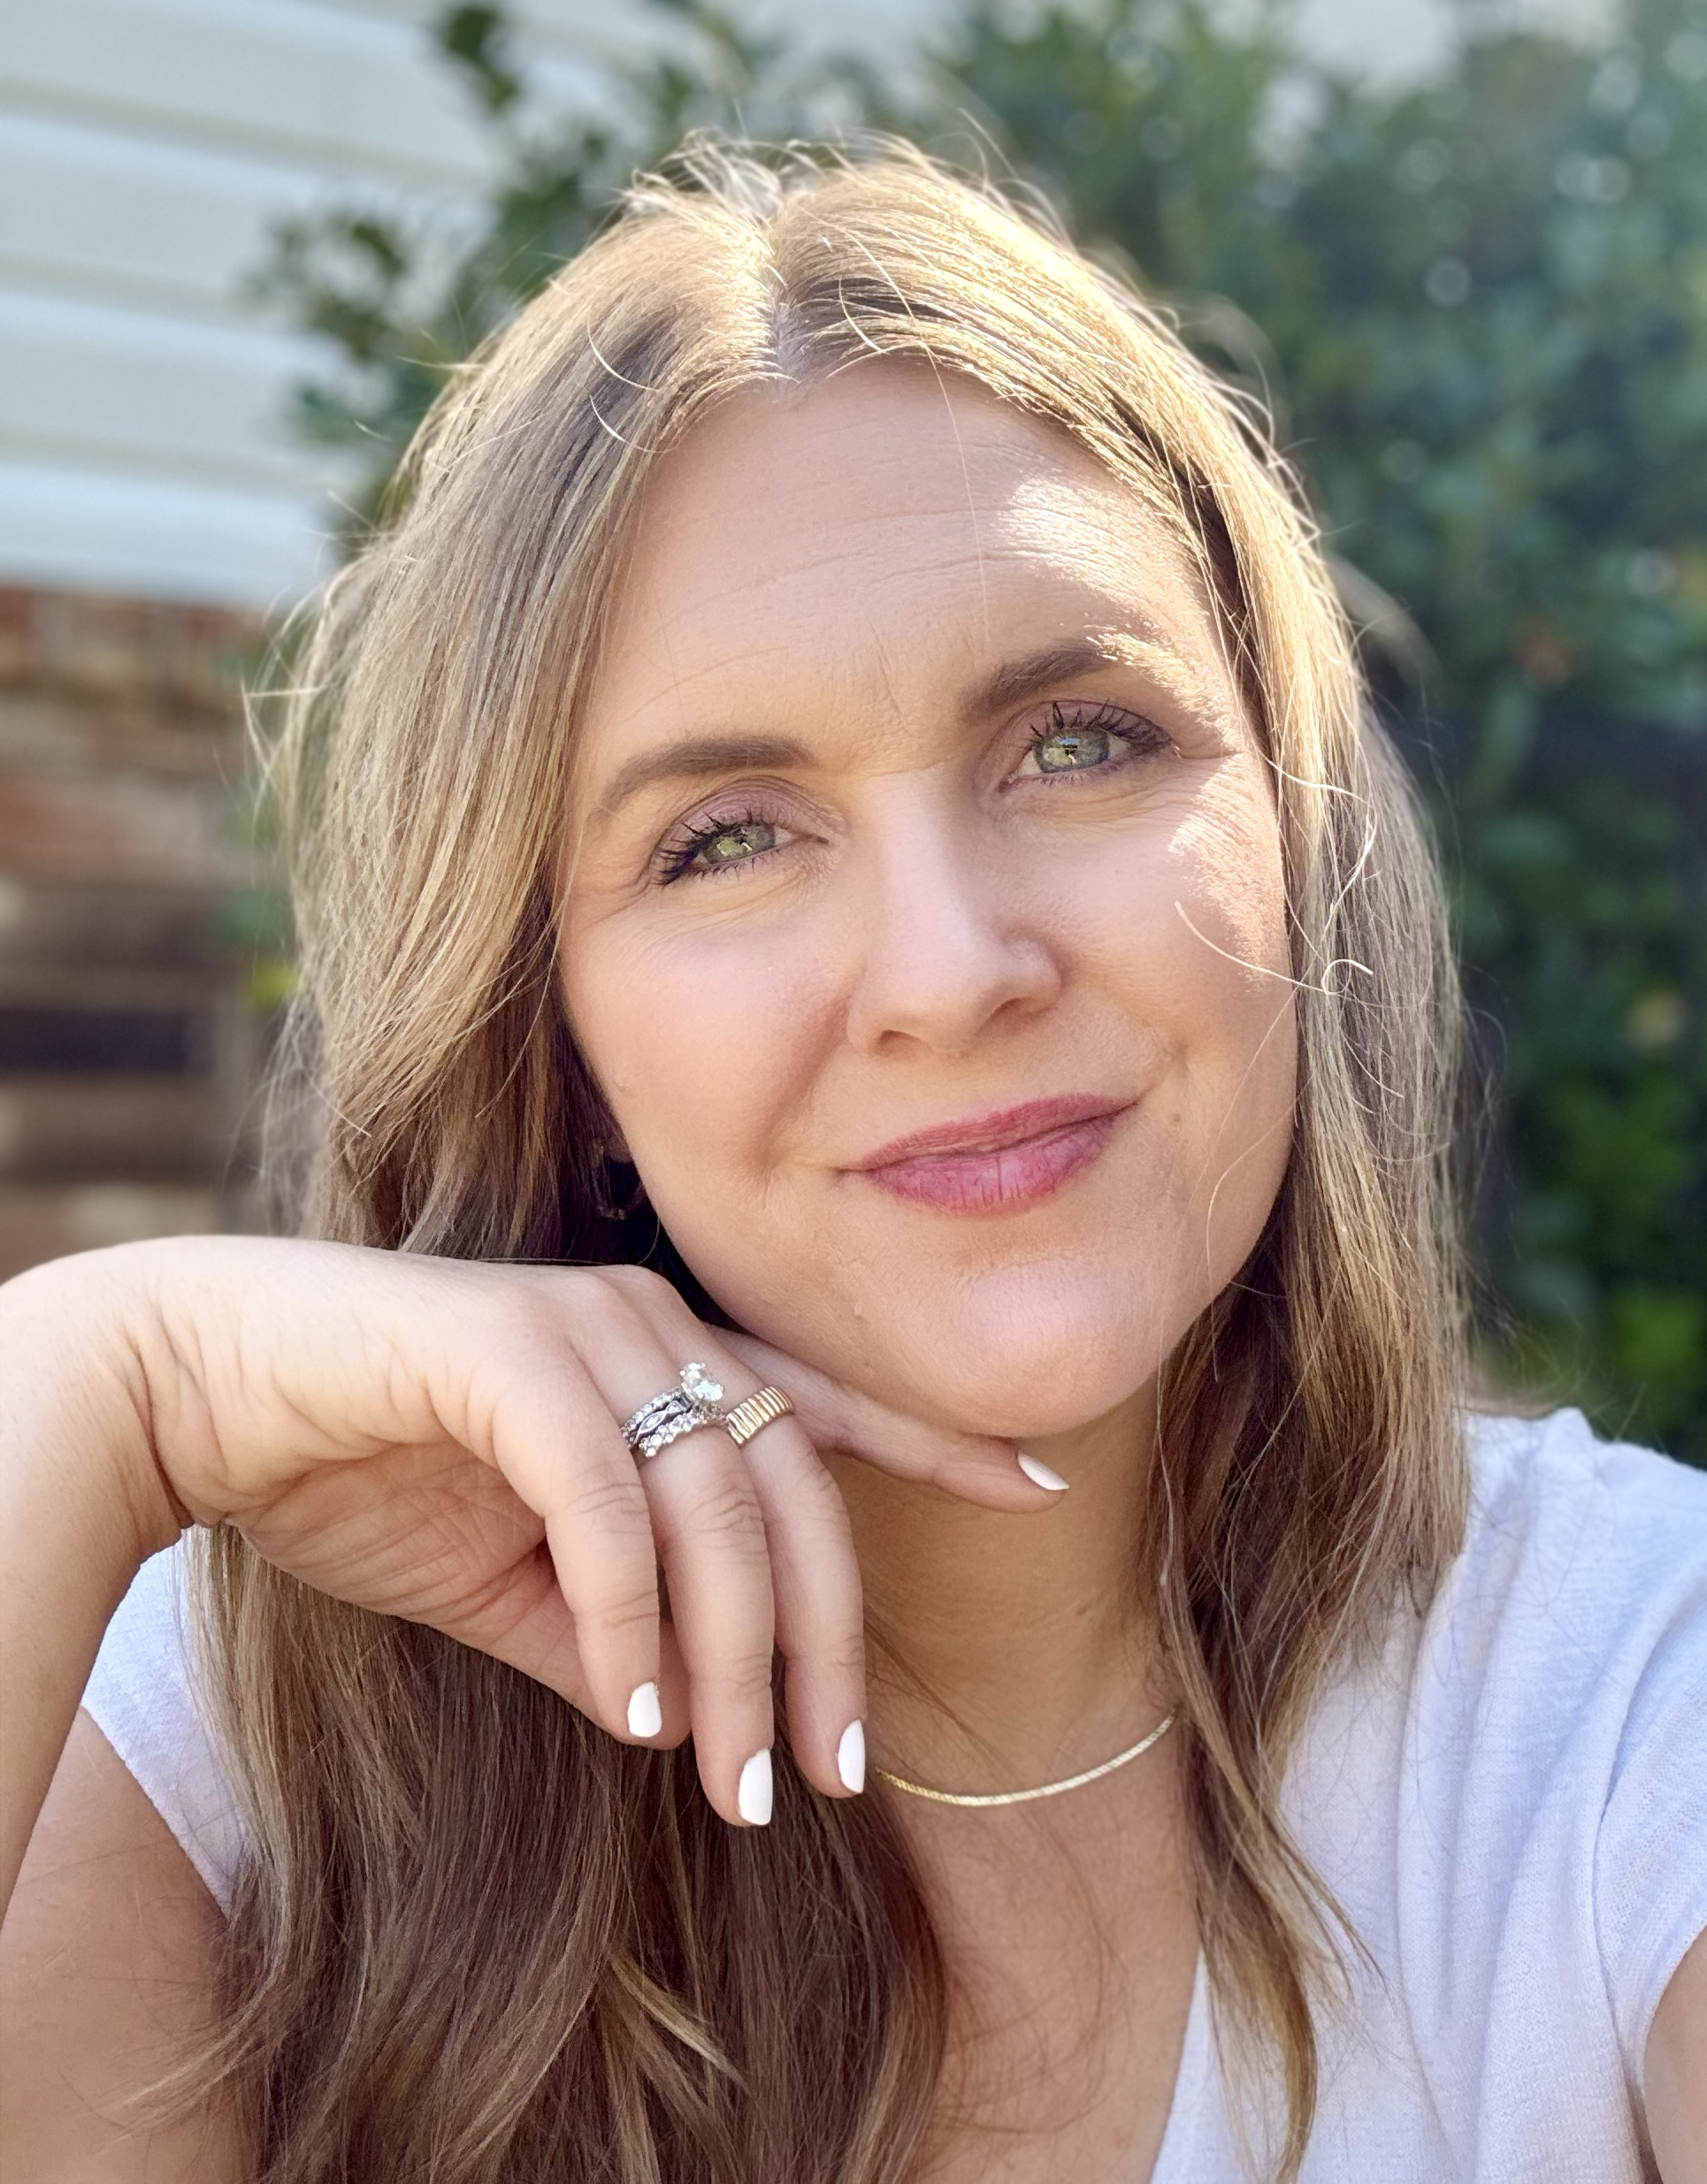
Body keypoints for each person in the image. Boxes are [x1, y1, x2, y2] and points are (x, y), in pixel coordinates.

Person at [1, 145, 1703, 2184]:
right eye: (724, 835)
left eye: (1077, 737)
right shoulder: (226, 1755)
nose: (946, 970)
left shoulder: (1618, 1706)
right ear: (554, 1031)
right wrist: (102, 1378)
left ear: (1294, 824)